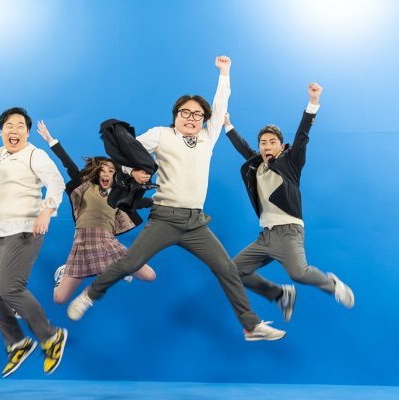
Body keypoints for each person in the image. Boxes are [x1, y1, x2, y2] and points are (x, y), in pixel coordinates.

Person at [67, 56, 286, 341]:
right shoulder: (161, 135)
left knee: (227, 269)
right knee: (130, 263)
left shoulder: (208, 137)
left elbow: (221, 104)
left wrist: (225, 72)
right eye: (186, 112)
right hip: (165, 219)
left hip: (195, 223)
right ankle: (91, 294)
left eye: (198, 114)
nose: (192, 118)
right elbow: (121, 158)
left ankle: (251, 326)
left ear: (204, 119)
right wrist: (132, 171)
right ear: (176, 115)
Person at [223, 83, 354, 322]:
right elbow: (244, 149)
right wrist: (228, 126)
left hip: (289, 233)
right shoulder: (257, 166)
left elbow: (302, 135)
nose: (267, 146)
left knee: (299, 273)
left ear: (281, 146)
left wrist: (313, 103)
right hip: (266, 236)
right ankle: (281, 295)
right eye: (263, 142)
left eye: (272, 142)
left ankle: (332, 285)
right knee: (234, 270)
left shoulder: (291, 163)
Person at [0, 107, 67, 378]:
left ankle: (51, 337)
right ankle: (17, 342)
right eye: (9, 125)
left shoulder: (34, 154)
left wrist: (46, 212)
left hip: (25, 229)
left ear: (27, 133)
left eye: (20, 126)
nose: (14, 130)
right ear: (1, 131)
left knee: (10, 288)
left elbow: (57, 183)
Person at [36, 121, 156, 304]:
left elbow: (136, 202)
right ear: (97, 173)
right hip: (83, 241)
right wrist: (50, 140)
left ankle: (113, 272)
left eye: (111, 170)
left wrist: (155, 200)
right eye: (103, 170)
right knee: (59, 298)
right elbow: (68, 164)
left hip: (107, 241)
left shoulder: (120, 193)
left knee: (149, 275)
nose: (106, 173)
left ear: (116, 174)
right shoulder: (85, 186)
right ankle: (69, 271)